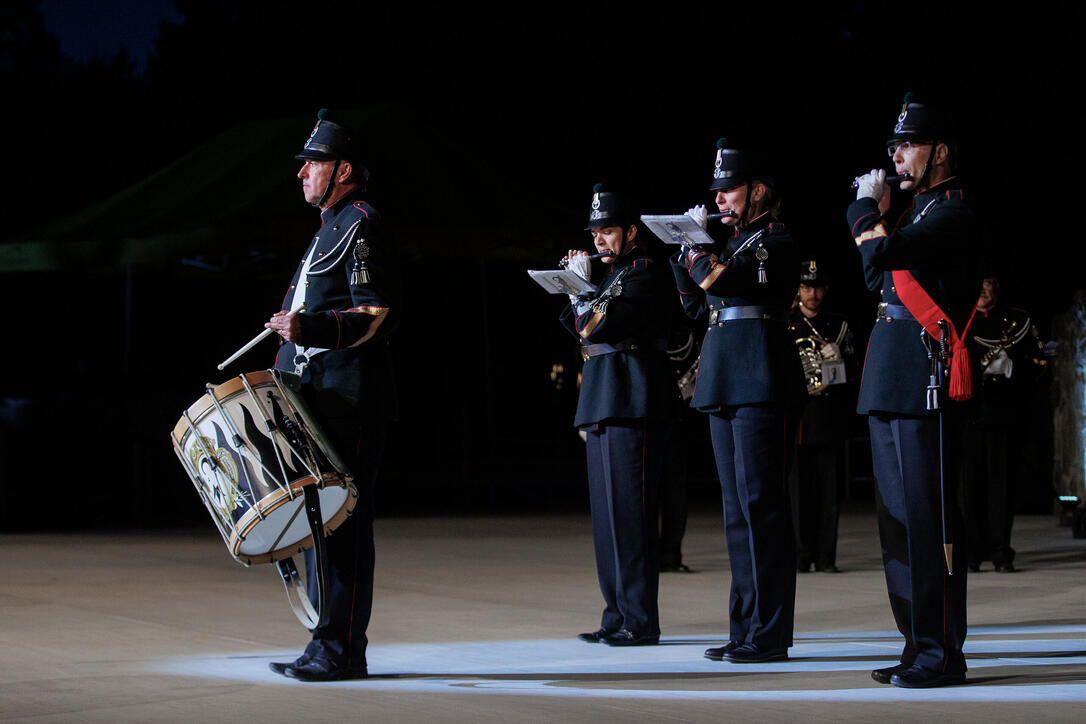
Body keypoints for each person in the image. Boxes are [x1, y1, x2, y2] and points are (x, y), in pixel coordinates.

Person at [265, 109, 401, 681]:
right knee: (320, 524)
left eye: (312, 163)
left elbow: (375, 313)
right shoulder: (331, 226)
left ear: (343, 170)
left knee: (343, 526)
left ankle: (343, 649)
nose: (302, 173)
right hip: (318, 397)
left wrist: (309, 329)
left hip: (350, 399)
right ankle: (325, 642)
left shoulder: (361, 223)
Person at [850, 94, 980, 688]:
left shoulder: (954, 211)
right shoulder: (911, 214)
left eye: (908, 146)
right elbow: (874, 274)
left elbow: (881, 252)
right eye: (894, 148)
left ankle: (942, 652)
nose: (897, 157)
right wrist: (878, 217)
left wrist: (863, 209)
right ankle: (915, 643)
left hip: (925, 375)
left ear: (940, 151)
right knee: (898, 525)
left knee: (931, 521)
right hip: (891, 374)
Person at [672, 139, 806, 663]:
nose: (720, 199)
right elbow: (694, 306)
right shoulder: (729, 244)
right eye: (718, 191)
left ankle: (768, 634)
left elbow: (723, 280)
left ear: (758, 191)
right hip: (727, 378)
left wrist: (693, 246)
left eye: (729, 189)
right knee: (736, 512)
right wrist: (682, 255)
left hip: (760, 376)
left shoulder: (776, 239)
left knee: (761, 508)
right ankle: (745, 627)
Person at [560, 184, 675, 647]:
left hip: (633, 399)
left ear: (631, 231)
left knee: (632, 516)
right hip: (604, 397)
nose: (599, 240)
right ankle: (616, 614)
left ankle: (639, 619)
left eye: (607, 231)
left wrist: (580, 289)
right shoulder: (611, 276)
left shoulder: (644, 272)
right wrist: (578, 286)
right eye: (595, 233)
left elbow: (599, 324)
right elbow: (577, 327)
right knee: (607, 519)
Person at [960, 276, 1046, 573]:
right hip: (970, 415)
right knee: (969, 488)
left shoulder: (1017, 321)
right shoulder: (961, 319)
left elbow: (1038, 363)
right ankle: (972, 553)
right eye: (980, 283)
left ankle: (1000, 552)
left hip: (1005, 414)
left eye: (989, 283)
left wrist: (1013, 368)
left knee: (1002, 487)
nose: (984, 290)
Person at [787, 260, 855, 574]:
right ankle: (801, 555)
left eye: (816, 288)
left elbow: (851, 373)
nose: (812, 294)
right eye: (806, 287)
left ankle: (826, 557)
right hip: (798, 416)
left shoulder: (838, 326)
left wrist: (839, 362)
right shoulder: (786, 323)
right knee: (798, 493)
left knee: (829, 492)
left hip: (827, 415)